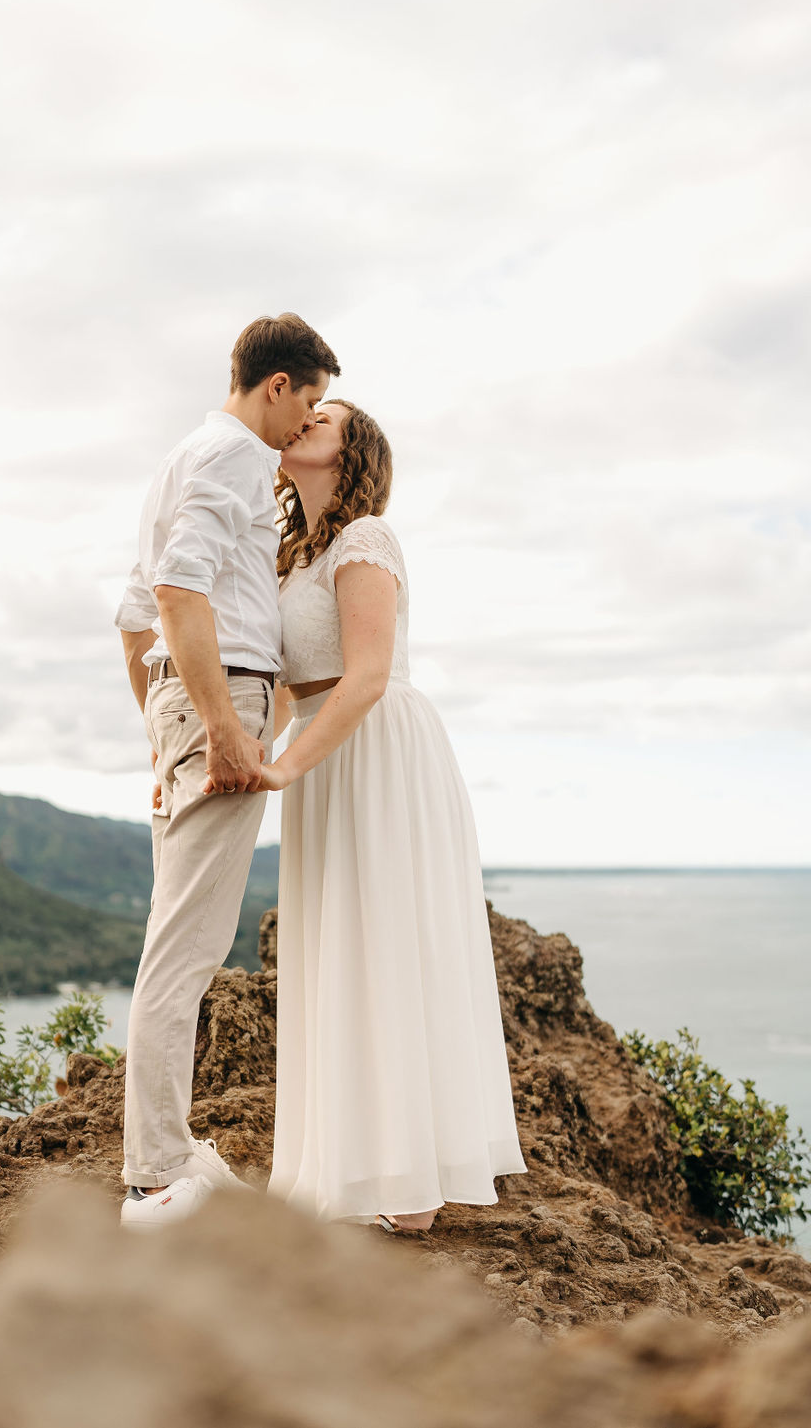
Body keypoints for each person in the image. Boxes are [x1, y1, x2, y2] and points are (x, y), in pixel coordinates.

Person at [261, 400, 527, 1231]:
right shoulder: (287, 553)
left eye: (328, 414)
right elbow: (279, 689)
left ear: (356, 448)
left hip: (373, 749)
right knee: (338, 949)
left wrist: (283, 768)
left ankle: (407, 1183)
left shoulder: (366, 537)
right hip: (318, 752)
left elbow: (367, 674)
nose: (307, 416)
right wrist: (227, 760)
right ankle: (353, 1164)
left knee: (386, 943)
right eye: (305, 406)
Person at [114, 313, 340, 1229]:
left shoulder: (183, 458)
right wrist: (219, 731)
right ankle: (156, 1173)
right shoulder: (240, 455)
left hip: (187, 707)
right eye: (311, 400)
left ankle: (167, 1150)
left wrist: (163, 732)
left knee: (179, 937)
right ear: (277, 384)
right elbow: (175, 592)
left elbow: (134, 619)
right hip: (221, 703)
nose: (307, 422)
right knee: (187, 950)